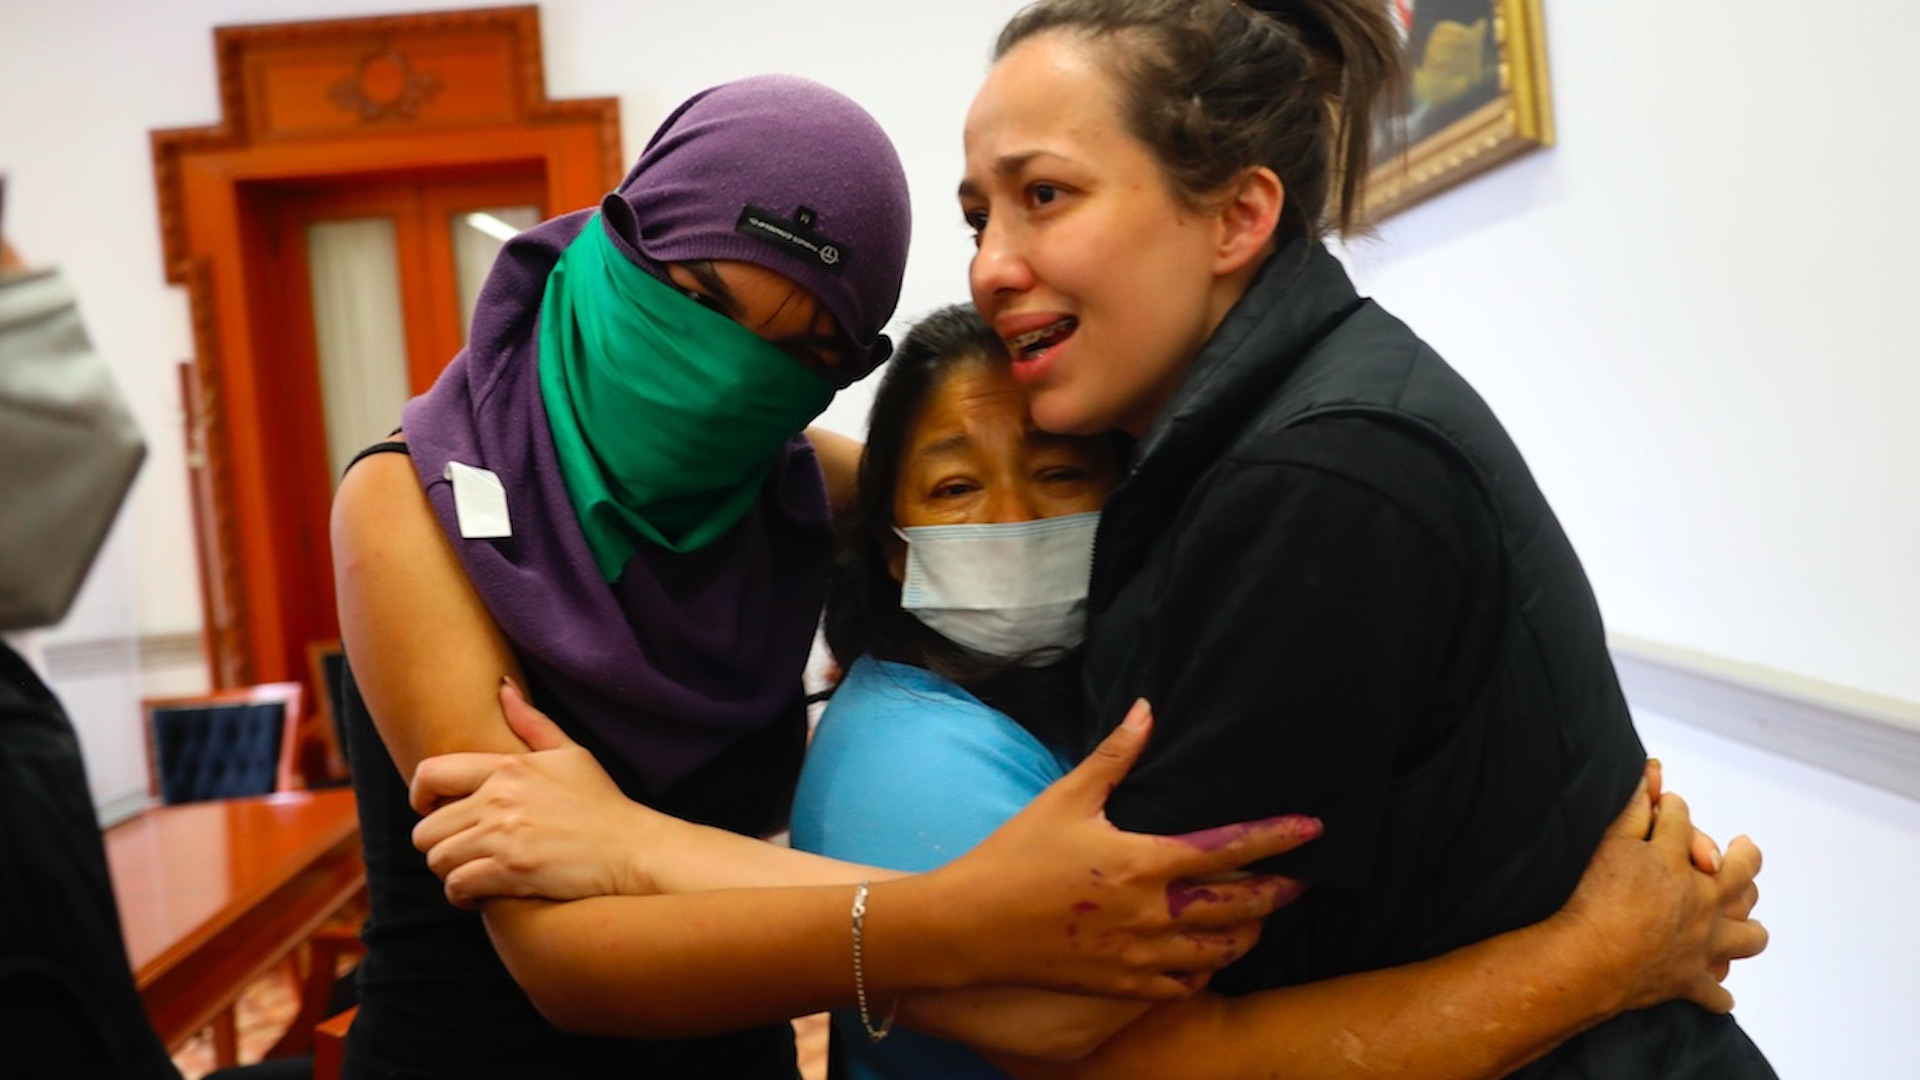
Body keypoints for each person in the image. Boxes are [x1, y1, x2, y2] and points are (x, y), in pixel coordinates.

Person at [414, 304, 1763, 1079]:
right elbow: (1148, 1057)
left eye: (1064, 473)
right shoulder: (909, 761)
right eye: (954, 489)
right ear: (894, 542)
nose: (1013, 518)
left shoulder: (1123, 693)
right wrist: (1593, 961)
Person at [332, 74, 1309, 1080]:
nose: (723, 377)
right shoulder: (407, 504)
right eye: (702, 301)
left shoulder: (788, 482)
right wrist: (974, 917)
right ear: (623, 240)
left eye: (800, 351)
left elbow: (956, 497)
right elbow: (562, 959)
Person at [954, 0, 1775, 1074]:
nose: (990, 268)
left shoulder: (1315, 482)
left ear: (1239, 216)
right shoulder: (1284, 412)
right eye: (979, 217)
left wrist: (1606, 956)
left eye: (1045, 195)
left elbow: (1112, 1035)